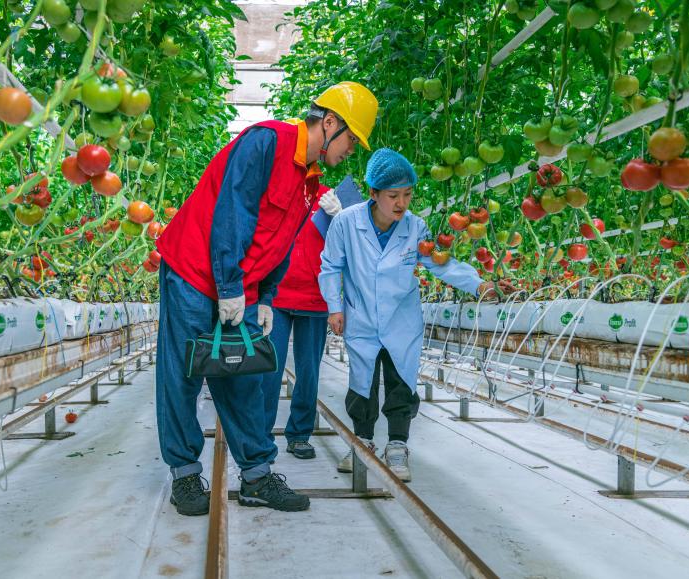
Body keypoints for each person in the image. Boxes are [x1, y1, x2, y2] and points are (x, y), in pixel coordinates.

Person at [154, 82, 379, 515]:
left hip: (240, 285)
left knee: (246, 377)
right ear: (330, 123)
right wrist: (230, 286)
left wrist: (265, 296)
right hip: (193, 272)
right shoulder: (267, 142)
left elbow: (283, 240)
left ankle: (256, 476)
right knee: (185, 373)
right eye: (352, 139)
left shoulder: (309, 180)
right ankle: (184, 475)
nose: (352, 150)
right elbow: (231, 213)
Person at [318, 148, 514, 482]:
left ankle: (397, 445)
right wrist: (334, 308)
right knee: (361, 384)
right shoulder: (346, 223)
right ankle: (362, 442)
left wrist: (479, 284)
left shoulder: (415, 227)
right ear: (373, 193)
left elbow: (440, 263)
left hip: (401, 321)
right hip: (360, 317)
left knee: (401, 383)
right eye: (393, 196)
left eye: (407, 195)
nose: (401, 203)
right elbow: (330, 266)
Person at [259, 182, 346, 460]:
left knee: (308, 371)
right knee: (269, 369)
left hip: (315, 296)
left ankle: (299, 434)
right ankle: (261, 434)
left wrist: (339, 217)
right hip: (277, 295)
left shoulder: (327, 196)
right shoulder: (275, 191)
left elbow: (347, 245)